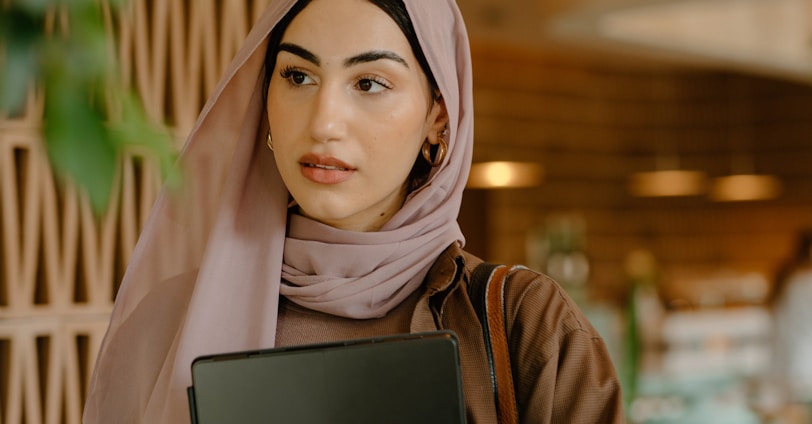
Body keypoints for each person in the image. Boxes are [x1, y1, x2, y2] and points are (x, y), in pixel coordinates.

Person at [83, 0, 624, 422]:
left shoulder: (525, 326)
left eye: (369, 83)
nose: (324, 122)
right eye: (297, 76)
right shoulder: (166, 323)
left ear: (440, 114)